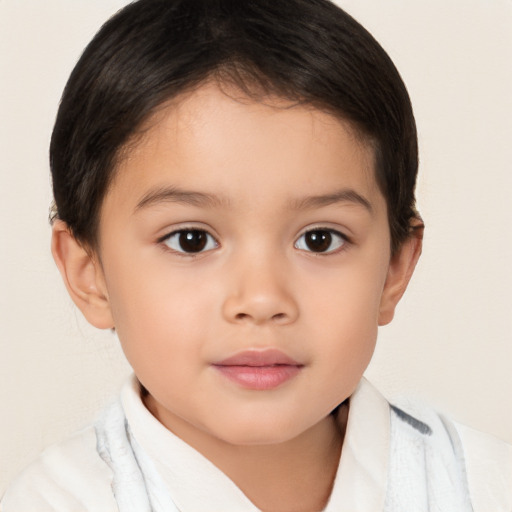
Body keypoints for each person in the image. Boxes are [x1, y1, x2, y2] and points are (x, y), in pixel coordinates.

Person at [1, 0, 511, 510]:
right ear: (89, 274)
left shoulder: (485, 487)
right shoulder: (52, 501)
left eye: (320, 239)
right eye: (191, 240)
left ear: (394, 270)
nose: (262, 299)